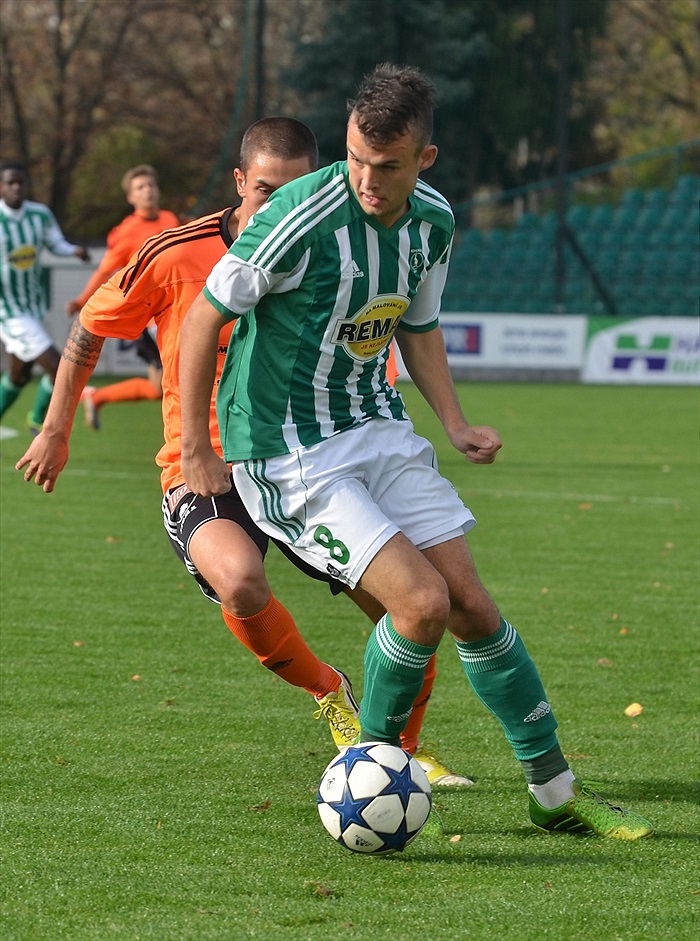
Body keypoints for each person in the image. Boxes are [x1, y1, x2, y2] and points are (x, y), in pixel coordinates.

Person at [177, 65, 654, 840]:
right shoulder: (299, 215)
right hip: (289, 452)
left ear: (424, 158)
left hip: (376, 425)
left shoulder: (433, 219)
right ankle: (373, 766)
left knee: (472, 606)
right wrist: (199, 449)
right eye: (357, 157)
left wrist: (456, 421)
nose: (366, 178)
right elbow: (203, 320)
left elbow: (417, 326)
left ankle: (556, 791)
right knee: (421, 604)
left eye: (388, 165)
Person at [16, 117, 469, 786]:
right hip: (204, 464)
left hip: (307, 459)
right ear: (238, 182)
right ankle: (329, 693)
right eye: (263, 191)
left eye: (294, 189)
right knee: (240, 580)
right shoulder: (176, 252)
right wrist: (56, 428)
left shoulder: (331, 242)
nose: (278, 206)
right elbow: (88, 327)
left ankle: (399, 752)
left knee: (410, 608)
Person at [66, 164, 180, 430]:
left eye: (151, 185)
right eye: (140, 187)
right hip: (149, 318)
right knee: (177, 381)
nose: (148, 191)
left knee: (157, 389)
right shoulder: (127, 231)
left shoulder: (170, 220)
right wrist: (82, 300)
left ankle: (98, 396)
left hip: (171, 312)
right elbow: (105, 270)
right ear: (131, 197)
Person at [0, 160, 90, 435]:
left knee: (20, 374)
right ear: (1, 187)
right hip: (9, 312)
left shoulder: (39, 215)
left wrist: (73, 250)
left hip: (32, 306)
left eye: (21, 182)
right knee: (57, 364)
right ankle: (38, 420)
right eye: (10, 182)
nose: (16, 187)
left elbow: (55, 242)